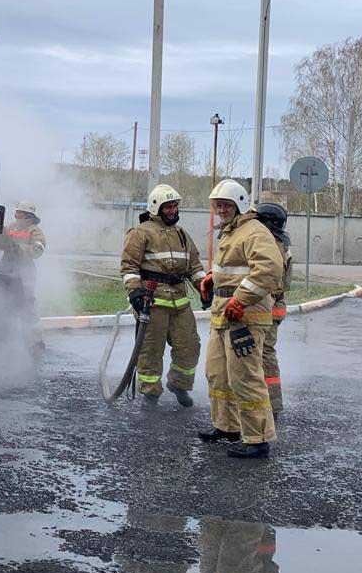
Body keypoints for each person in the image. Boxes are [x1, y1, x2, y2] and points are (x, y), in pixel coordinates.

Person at [197, 179, 283, 459]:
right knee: (218, 373)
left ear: (240, 205)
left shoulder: (253, 231)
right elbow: (235, 268)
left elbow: (269, 270)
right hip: (224, 314)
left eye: (226, 205)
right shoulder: (231, 232)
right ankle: (228, 427)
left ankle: (258, 438)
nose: (221, 209)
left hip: (244, 317)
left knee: (245, 377)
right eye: (218, 205)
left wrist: (240, 299)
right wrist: (213, 278)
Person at [119, 184, 205, 407]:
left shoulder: (182, 234)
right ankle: (150, 392)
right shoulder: (140, 233)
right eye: (168, 207)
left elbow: (195, 267)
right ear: (156, 208)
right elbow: (129, 268)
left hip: (180, 301)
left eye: (175, 206)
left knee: (190, 345)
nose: (173, 211)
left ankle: (179, 384)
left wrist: (204, 286)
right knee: (151, 349)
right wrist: (135, 291)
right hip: (152, 301)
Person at [255, 201, 292, 417]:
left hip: (268, 307)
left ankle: (271, 405)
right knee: (264, 355)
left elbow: (272, 282)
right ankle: (269, 403)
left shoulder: (274, 246)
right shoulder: (278, 242)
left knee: (264, 356)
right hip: (272, 308)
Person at [0, 200, 47, 353]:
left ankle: (36, 342)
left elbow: (38, 250)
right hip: (7, 268)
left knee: (27, 305)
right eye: (16, 212)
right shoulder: (10, 227)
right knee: (4, 303)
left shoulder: (35, 231)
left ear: (28, 215)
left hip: (25, 271)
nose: (16, 214)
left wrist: (19, 248)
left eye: (19, 212)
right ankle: (5, 340)